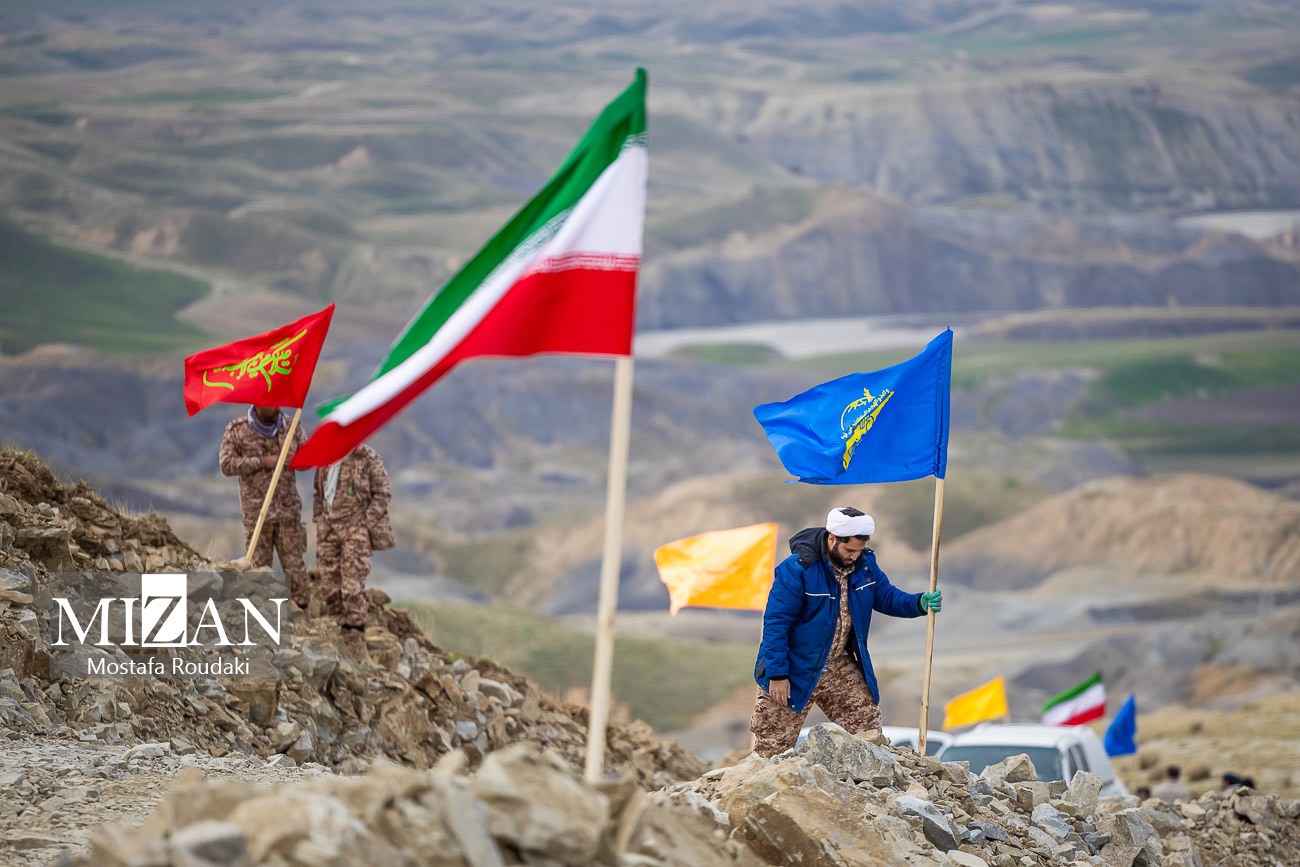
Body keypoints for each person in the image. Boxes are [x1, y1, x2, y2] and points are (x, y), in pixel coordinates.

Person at [749, 507, 942, 757]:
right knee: (772, 748)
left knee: (868, 731)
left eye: (859, 550)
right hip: (794, 667)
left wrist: (918, 603)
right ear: (832, 539)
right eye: (849, 550)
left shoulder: (865, 565)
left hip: (837, 663)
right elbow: (776, 622)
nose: (854, 556)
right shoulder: (797, 569)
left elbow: (886, 596)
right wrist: (777, 674)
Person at [219, 405, 309, 608]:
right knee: (260, 573)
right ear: (258, 403)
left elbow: (308, 459)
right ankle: (263, 615)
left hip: (288, 513)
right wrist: (261, 461)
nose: (276, 408)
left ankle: (301, 615)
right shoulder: (237, 430)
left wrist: (296, 460)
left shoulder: (291, 426)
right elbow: (226, 464)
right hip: (257, 515)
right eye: (271, 404)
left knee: (295, 570)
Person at [312, 444, 392, 632]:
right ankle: (338, 630)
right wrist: (319, 518)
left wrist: (365, 522)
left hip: (355, 531)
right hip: (328, 530)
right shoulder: (326, 455)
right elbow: (318, 491)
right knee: (329, 584)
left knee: (352, 586)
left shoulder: (368, 457)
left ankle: (356, 633)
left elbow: (383, 493)